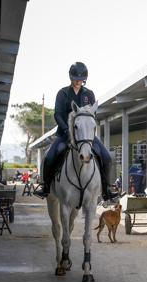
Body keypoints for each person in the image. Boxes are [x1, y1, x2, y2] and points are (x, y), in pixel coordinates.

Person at [34, 62, 119, 201]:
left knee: (107, 158)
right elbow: (57, 114)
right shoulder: (62, 93)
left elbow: (92, 114)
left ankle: (107, 188)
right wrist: (67, 129)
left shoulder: (89, 94)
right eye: (75, 79)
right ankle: (46, 186)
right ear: (70, 78)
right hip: (65, 134)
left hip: (85, 136)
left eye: (81, 79)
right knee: (49, 157)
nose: (78, 81)